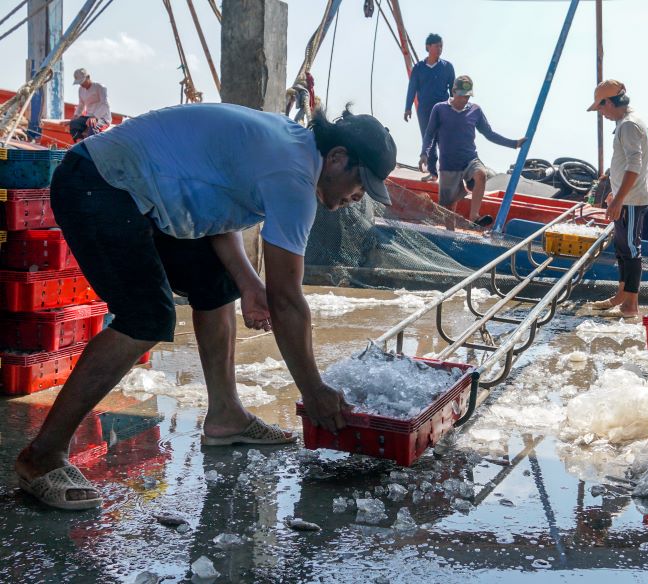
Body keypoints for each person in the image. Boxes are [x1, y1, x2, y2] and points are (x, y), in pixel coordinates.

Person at [15, 103, 397, 510]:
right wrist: (313, 390)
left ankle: (226, 414)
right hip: (99, 182)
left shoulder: (290, 146)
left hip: (133, 190)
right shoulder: (294, 176)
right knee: (147, 317)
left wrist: (249, 283)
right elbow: (287, 301)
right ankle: (42, 455)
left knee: (217, 286)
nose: (357, 199)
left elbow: (217, 209)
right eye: (360, 185)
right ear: (337, 158)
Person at [420, 75, 525, 230]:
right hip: (449, 164)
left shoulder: (475, 110)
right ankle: (450, 236)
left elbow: (489, 134)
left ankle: (474, 216)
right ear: (453, 91)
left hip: (469, 159)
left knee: (480, 174)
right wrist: (424, 154)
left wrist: (514, 144)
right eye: (462, 95)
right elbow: (429, 134)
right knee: (449, 208)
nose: (464, 99)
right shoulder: (440, 109)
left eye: (467, 96)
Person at [586, 80, 648, 318]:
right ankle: (621, 294)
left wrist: (619, 199)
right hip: (627, 197)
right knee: (623, 248)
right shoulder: (625, 123)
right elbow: (627, 164)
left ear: (610, 102)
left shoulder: (628, 125)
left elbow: (635, 164)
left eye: (601, 108)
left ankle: (630, 304)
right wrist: (616, 193)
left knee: (632, 249)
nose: (601, 113)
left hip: (633, 200)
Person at [404, 33, 455, 181]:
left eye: (441, 46)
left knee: (444, 139)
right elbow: (412, 88)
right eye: (437, 46)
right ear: (428, 47)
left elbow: (453, 89)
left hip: (444, 108)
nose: (440, 49)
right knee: (429, 140)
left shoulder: (447, 67)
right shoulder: (419, 68)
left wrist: (456, 108)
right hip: (425, 110)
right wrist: (408, 108)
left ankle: (448, 173)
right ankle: (433, 173)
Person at [69, 68, 112, 142]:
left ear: (88, 77)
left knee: (92, 125)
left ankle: (90, 146)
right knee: (74, 124)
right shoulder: (81, 89)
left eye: (82, 82)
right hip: (88, 117)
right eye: (79, 83)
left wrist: (94, 116)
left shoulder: (100, 87)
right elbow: (81, 105)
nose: (81, 84)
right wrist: (75, 116)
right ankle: (79, 143)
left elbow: (105, 104)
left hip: (102, 118)